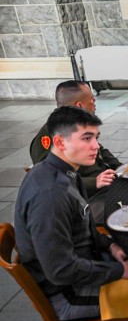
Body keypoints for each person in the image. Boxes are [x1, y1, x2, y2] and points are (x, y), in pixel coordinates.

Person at [15, 106, 128, 321]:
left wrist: (110, 245)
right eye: (86, 138)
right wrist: (120, 272)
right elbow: (60, 270)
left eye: (96, 137)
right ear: (60, 142)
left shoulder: (64, 171)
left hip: (85, 261)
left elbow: (86, 227)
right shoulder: (50, 196)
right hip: (68, 294)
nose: (96, 146)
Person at [30, 80, 121, 223]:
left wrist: (121, 167)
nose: (94, 101)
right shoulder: (52, 136)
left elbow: (100, 150)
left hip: (106, 184)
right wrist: (94, 182)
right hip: (86, 200)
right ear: (79, 106)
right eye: (91, 99)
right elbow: (50, 181)